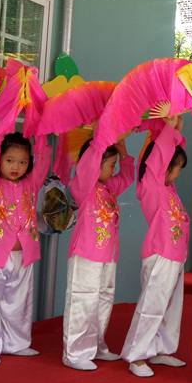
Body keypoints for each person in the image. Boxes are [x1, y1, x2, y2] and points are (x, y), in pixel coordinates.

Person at [0, 110, 51, 366]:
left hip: (23, 255)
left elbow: (43, 156)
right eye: (10, 160)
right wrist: (11, 113)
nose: (16, 167)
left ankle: (16, 344)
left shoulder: (31, 184)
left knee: (19, 303)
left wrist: (38, 124)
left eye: (23, 162)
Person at [122, 116, 190, 376]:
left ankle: (161, 347)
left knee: (171, 306)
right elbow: (157, 157)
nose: (178, 173)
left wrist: (176, 130)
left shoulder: (169, 189)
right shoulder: (151, 185)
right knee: (152, 305)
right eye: (176, 168)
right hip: (160, 254)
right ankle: (136, 355)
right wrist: (169, 130)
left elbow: (168, 151)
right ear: (163, 167)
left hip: (175, 256)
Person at [62, 136, 134, 370]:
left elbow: (127, 177)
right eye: (110, 165)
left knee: (103, 300)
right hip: (86, 254)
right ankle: (75, 353)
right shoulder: (83, 186)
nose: (114, 170)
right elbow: (87, 166)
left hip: (108, 256)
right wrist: (100, 139)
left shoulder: (109, 187)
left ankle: (95, 345)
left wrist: (123, 152)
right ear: (96, 163)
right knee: (83, 300)